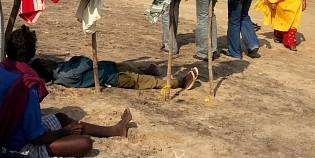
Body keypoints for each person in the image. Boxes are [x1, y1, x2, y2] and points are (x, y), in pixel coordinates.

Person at [0, 25, 133, 158]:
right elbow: (37, 139)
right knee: (85, 143)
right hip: (14, 144)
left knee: (61, 117)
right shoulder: (27, 84)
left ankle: (113, 130)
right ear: (31, 54)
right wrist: (66, 132)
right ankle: (110, 131)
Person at [29, 56, 198, 91]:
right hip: (113, 77)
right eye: (46, 60)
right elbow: (87, 62)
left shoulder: (61, 71)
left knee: (128, 66)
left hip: (111, 69)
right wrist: (76, 58)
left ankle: (149, 70)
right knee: (143, 81)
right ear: (46, 66)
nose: (51, 59)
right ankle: (181, 82)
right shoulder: (65, 73)